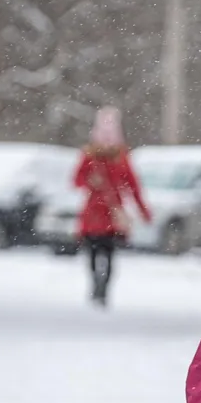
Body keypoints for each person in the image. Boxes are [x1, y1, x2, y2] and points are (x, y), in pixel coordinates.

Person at [72, 106, 151, 306]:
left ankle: (103, 289)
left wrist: (143, 211)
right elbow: (76, 181)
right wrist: (91, 181)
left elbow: (134, 187)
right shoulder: (90, 158)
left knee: (107, 254)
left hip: (110, 216)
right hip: (93, 215)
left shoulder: (121, 159)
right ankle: (96, 286)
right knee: (94, 254)